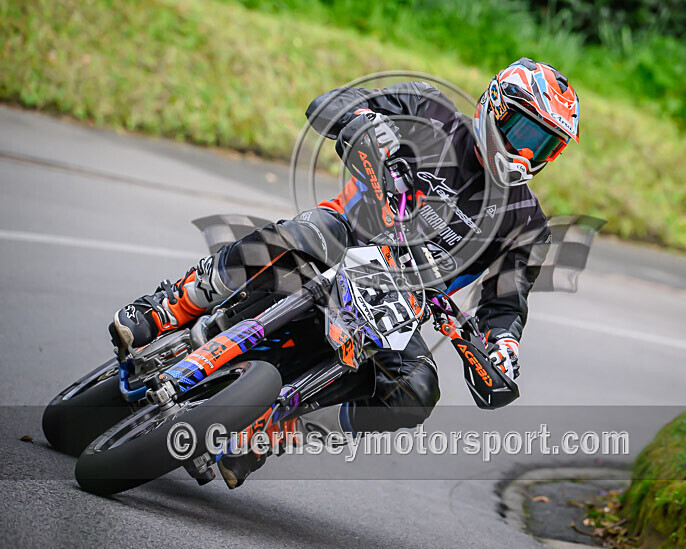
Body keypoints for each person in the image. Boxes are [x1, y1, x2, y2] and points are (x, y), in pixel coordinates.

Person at [109, 58, 580, 488]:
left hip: (398, 305)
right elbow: (330, 105)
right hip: (344, 236)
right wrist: (365, 127)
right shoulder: (428, 109)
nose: (526, 152)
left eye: (545, 144)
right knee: (300, 232)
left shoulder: (527, 223)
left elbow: (506, 302)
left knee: (416, 391)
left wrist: (502, 348)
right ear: (495, 107)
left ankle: (282, 427)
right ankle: (172, 305)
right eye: (524, 131)